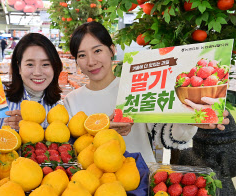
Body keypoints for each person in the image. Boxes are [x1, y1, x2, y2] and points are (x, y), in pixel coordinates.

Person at [63, 22, 230, 163]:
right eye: (82, 55)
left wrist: (189, 120)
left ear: (112, 50)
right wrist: (101, 133)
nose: (91, 61)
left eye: (97, 51)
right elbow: (71, 150)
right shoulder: (71, 101)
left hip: (141, 182)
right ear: (76, 61)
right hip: (94, 186)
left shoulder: (136, 86)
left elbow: (163, 135)